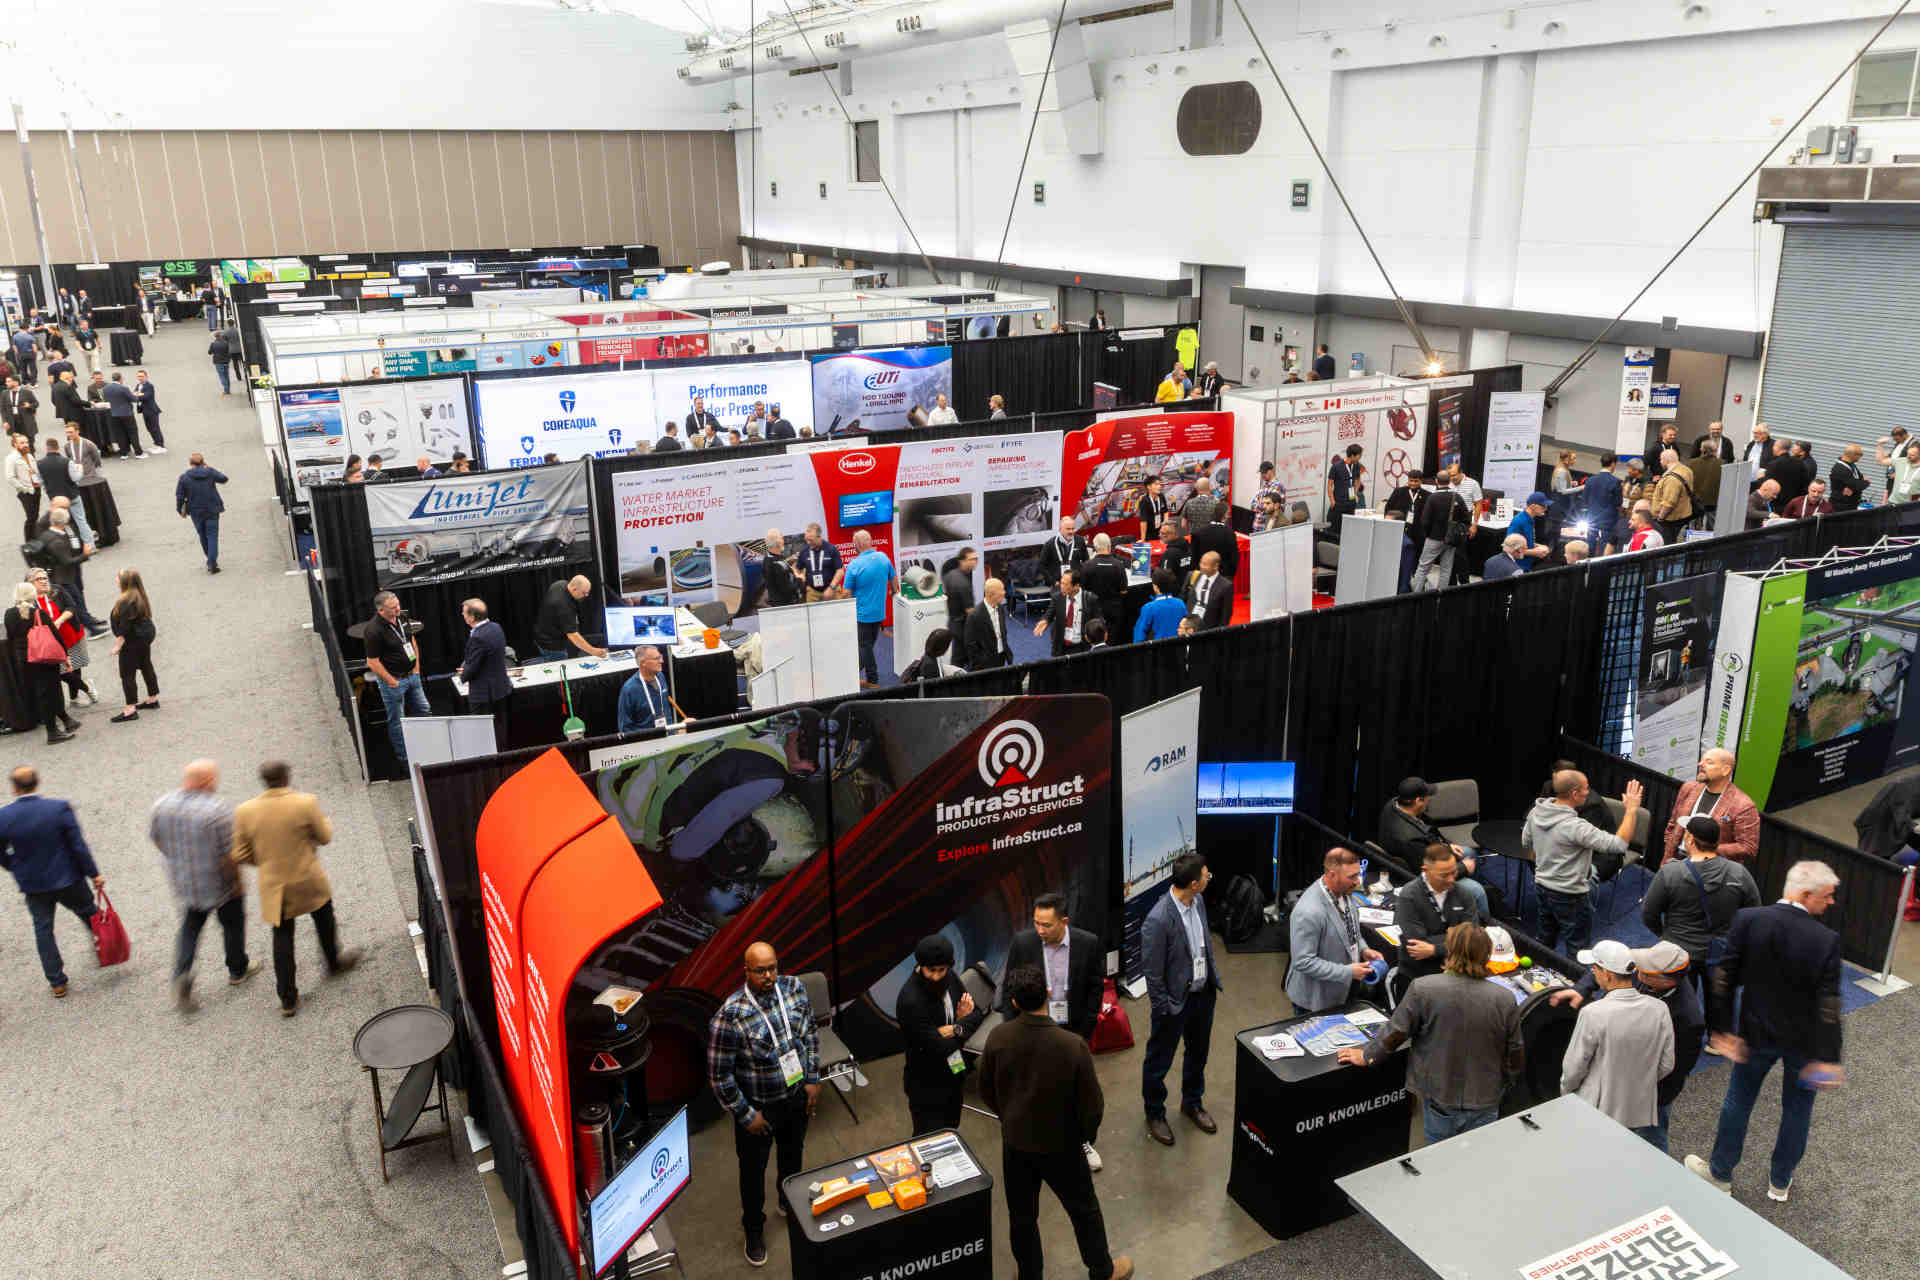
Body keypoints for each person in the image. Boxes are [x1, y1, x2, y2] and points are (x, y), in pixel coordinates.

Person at [1685, 861, 1845, 1201]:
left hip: (1755, 1034)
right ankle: (1780, 1182)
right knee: (1798, 1109)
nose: (1830, 903)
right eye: (1828, 896)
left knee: (1738, 1101)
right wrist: (1829, 1057)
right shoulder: (1826, 939)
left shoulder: (1749, 920)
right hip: (1804, 1043)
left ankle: (1720, 1174)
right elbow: (1829, 1004)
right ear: (1806, 894)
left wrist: (1722, 1030)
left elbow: (1724, 978)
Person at [980, 965, 1133, 1280]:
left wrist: (1008, 1117)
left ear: (1015, 1002)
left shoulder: (998, 1038)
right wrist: (1083, 1137)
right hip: (1062, 1147)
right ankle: (1102, 1270)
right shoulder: (1071, 1045)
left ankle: (1029, 1275)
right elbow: (1093, 1106)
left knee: (1022, 1217)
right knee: (1084, 1211)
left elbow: (986, 1089)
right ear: (1048, 993)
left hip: (1016, 1145)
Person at [1337, 923, 1524, 1143]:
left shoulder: (1423, 989)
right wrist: (1505, 1083)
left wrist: (1367, 1056)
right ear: (1485, 954)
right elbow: (1515, 1051)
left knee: (1438, 1164)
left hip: (1440, 1099)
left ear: (1450, 951)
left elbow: (1395, 1033)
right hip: (1486, 1100)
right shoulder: (1505, 998)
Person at [706, 941, 822, 1268]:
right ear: (746, 971)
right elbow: (719, 1076)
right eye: (760, 971)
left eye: (773, 967)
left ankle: (789, 1203)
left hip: (795, 1097)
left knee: (792, 1154)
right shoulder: (730, 1015)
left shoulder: (794, 988)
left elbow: (810, 1033)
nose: (769, 976)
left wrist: (812, 1078)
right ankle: (754, 1231)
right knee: (753, 1175)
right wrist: (746, 1115)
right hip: (758, 1108)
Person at [231, 760, 361, 1017]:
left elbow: (239, 853)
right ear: (287, 777)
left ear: (264, 780)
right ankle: (334, 962)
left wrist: (265, 861)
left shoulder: (244, 811)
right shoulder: (305, 802)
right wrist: (326, 822)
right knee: (324, 918)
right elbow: (324, 837)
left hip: (275, 884)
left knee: (282, 937)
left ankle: (288, 998)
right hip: (308, 878)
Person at [1552, 940, 1702, 1152]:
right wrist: (1581, 988)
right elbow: (1610, 965)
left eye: (1645, 974)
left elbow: (1676, 1067)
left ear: (1664, 980)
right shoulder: (1646, 968)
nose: (1638, 974)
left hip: (1653, 1095)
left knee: (1650, 1147)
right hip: (1632, 1087)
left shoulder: (1688, 1018)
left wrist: (1635, 1088)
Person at [150, 759, 257, 1010]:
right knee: (232, 924)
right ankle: (237, 969)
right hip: (218, 882)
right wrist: (238, 883)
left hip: (185, 881)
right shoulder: (218, 811)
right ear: (208, 781)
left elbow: (157, 840)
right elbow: (229, 855)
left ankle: (182, 973)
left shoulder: (162, 805)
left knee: (190, 927)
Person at [1140, 853, 1222, 1147]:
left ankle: (1192, 1102)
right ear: (1193, 883)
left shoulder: (1197, 901)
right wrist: (1164, 1009)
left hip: (1202, 994)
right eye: (1206, 875)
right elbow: (1152, 972)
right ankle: (1155, 1113)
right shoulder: (1158, 920)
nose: (1208, 878)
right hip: (1174, 1003)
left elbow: (1201, 944)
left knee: (1198, 1052)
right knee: (1159, 1060)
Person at [0, 765, 103, 997]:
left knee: (43, 928)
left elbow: (1, 853)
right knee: (89, 913)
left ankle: (57, 982)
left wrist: (15, 866)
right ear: (37, 783)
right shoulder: (58, 808)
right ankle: (105, 949)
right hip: (69, 878)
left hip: (34, 884)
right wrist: (93, 873)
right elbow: (78, 846)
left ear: (14, 788)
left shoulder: (3, 816)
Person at [1522, 771, 1642, 954]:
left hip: (1541, 887)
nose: (1589, 792)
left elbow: (1526, 842)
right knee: (1578, 950)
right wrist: (1632, 810)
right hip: (1571, 896)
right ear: (1574, 793)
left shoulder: (1535, 812)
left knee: (1545, 941)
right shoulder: (1576, 827)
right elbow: (1619, 845)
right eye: (1586, 788)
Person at [1644, 816, 1761, 983]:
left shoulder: (1669, 873)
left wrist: (1667, 935)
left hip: (1677, 954)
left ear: (1690, 839)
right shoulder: (1740, 873)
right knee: (1719, 1006)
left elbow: (1649, 914)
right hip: (1720, 955)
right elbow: (1754, 915)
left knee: (1680, 1004)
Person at [894, 934, 984, 1135]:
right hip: (925, 1081)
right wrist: (962, 1026)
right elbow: (939, 1048)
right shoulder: (911, 1001)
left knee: (952, 1126)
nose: (936, 976)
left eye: (941, 970)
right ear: (920, 966)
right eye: (930, 970)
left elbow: (977, 1013)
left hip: (955, 1067)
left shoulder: (950, 978)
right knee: (928, 1137)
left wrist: (955, 1027)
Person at [1286, 847, 1387, 1015]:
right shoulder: (1309, 911)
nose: (1358, 881)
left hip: (1344, 990)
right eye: (1352, 876)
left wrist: (1364, 949)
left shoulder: (1344, 891)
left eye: (1358, 874)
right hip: (1315, 1000)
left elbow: (1351, 930)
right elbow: (1303, 961)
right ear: (1332, 875)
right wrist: (1348, 972)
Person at [1376, 777, 1488, 913]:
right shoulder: (1411, 840)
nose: (1429, 799)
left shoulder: (1394, 804)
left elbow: (1426, 832)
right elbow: (1430, 875)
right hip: (1423, 874)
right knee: (1477, 890)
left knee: (1469, 852)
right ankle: (1482, 925)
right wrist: (1463, 868)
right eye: (1427, 796)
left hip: (1424, 854)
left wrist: (1447, 846)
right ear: (1418, 801)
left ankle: (1466, 905)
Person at [1393, 844, 1488, 984]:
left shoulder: (1464, 894)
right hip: (1419, 976)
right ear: (1426, 871)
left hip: (1459, 973)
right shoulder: (1409, 896)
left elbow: (1472, 939)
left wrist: (1435, 949)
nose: (1451, 880)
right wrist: (1456, 937)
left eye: (1454, 872)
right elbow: (1416, 946)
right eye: (1444, 875)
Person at [7, 582, 80, 743]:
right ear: (32, 595)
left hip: (25, 661)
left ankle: (65, 722)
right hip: (44, 659)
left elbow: (11, 637)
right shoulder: (38, 613)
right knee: (51, 694)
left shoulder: (9, 614)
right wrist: (65, 657)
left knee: (42, 694)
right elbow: (55, 635)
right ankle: (52, 732)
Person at [1661, 748, 1759, 864]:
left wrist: (1706, 850)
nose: (1700, 764)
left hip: (1709, 870)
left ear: (1725, 770)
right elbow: (1673, 824)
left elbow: (1748, 848)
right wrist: (1669, 849)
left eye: (1709, 762)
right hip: (1674, 861)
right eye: (1701, 761)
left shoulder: (1743, 805)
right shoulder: (1688, 788)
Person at [364, 591, 429, 764]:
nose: (398, 609)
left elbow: (412, 640)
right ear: (381, 610)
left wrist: (416, 668)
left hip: (412, 677)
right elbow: (372, 662)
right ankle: (405, 758)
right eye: (393, 608)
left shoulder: (402, 618)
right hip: (393, 682)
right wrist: (391, 681)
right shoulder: (373, 630)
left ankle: (427, 747)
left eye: (398, 605)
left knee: (424, 711)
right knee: (397, 721)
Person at [36, 509, 104, 633]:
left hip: (58, 576)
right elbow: (67, 561)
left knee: (75, 601)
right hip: (63, 579)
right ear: (63, 523)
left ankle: (88, 625)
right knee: (75, 602)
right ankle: (91, 629)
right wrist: (85, 555)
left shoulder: (46, 535)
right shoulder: (57, 542)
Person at [842, 529, 895, 687]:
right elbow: (893, 579)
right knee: (868, 645)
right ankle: (852, 672)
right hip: (879, 613)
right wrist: (894, 591)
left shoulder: (854, 565)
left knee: (865, 647)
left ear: (857, 545)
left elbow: (846, 593)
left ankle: (873, 680)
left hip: (862, 615)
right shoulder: (883, 558)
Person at [107, 567, 159, 723]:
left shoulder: (125, 602)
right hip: (144, 637)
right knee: (145, 665)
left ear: (124, 582)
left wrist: (118, 645)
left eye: (118, 577)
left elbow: (124, 627)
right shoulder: (138, 595)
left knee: (127, 673)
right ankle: (152, 698)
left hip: (133, 640)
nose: (116, 579)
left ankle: (130, 709)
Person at [457, 598, 512, 740]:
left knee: (483, 734)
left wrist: (464, 675)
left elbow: (473, 666)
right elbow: (488, 659)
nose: (462, 615)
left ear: (472, 617)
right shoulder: (496, 627)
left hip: (484, 694)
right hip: (501, 688)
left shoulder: (477, 637)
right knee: (500, 729)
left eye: (464, 613)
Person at [36, 436, 96, 550]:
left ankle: (67, 547)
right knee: (81, 520)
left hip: (56, 499)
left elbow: (40, 481)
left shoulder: (39, 464)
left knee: (61, 523)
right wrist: (80, 469)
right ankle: (90, 545)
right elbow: (76, 478)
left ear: (46, 448)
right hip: (72, 496)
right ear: (58, 447)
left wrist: (49, 490)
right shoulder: (67, 462)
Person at [1411, 474, 1467, 592]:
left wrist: (1428, 534)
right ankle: (1441, 598)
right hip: (1451, 539)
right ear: (1449, 481)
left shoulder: (1432, 498)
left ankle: (1414, 596)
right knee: (1446, 569)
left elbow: (1425, 521)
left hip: (1434, 537)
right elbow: (1466, 517)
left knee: (1423, 567)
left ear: (1436, 481)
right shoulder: (1457, 497)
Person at [174, 453, 228, 573]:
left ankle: (209, 558)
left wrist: (180, 510)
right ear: (203, 462)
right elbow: (224, 479)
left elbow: (180, 496)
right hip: (212, 508)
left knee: (203, 535)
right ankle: (212, 561)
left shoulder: (184, 477)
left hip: (195, 511)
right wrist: (209, 468)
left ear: (190, 464)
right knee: (212, 535)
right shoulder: (209, 472)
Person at [532, 575, 606, 661]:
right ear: (574, 589)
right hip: (551, 645)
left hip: (542, 632)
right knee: (561, 669)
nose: (586, 595)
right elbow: (573, 635)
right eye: (584, 593)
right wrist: (594, 651)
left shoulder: (560, 584)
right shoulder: (564, 606)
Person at [1035, 567, 1098, 658]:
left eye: (1065, 584)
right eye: (1061, 583)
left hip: (1081, 648)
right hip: (1061, 646)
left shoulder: (1090, 599)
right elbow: (1050, 613)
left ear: (1076, 586)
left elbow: (1098, 621)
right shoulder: (1057, 597)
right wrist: (1045, 620)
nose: (1061, 587)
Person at [1079, 534, 1129, 639]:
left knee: (1094, 638)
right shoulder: (1119, 565)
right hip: (1113, 609)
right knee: (1112, 639)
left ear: (1095, 547)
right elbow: (1124, 591)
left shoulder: (1087, 566)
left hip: (1093, 610)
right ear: (1109, 546)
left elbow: (1082, 590)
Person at [616, 645, 672, 734]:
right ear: (643, 663)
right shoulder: (629, 689)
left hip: (667, 734)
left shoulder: (660, 677)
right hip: (645, 741)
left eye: (660, 657)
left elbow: (666, 709)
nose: (661, 661)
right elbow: (625, 727)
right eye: (656, 658)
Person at [964, 578, 1014, 669]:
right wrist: (981, 661)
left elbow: (1002, 633)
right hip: (984, 664)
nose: (1004, 593)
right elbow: (970, 644)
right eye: (1001, 590)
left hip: (1001, 658)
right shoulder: (975, 616)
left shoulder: (1000, 608)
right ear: (992, 594)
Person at [1649, 449, 1695, 543]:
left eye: (1661, 460)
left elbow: (1669, 504)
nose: (1660, 462)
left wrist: (1660, 519)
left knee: (1668, 544)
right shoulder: (1687, 470)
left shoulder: (1671, 479)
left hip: (1670, 521)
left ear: (1667, 460)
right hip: (1683, 515)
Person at [1180, 550, 1233, 632]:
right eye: (1201, 562)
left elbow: (1225, 615)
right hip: (1189, 626)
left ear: (1215, 566)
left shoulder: (1226, 586)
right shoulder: (1192, 575)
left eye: (1205, 564)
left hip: (1209, 628)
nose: (1201, 566)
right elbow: (1183, 598)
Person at [940, 547, 977, 663]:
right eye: (971, 559)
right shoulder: (963, 584)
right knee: (962, 657)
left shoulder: (950, 575)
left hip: (953, 623)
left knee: (959, 655)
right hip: (963, 626)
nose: (975, 562)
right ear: (962, 561)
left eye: (976, 559)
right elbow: (970, 611)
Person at [1581, 452, 1625, 551]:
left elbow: (1584, 501)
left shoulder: (1590, 480)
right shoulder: (1616, 482)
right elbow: (1618, 502)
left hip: (1591, 519)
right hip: (1609, 521)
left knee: (1589, 546)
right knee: (1605, 548)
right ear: (1613, 464)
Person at [7, 430, 41, 543]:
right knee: (31, 517)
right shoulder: (11, 458)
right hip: (26, 492)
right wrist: (24, 489)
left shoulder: (29, 455)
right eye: (22, 443)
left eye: (26, 442)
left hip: (36, 489)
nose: (25, 444)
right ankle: (29, 541)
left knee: (35, 516)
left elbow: (35, 471)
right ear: (15, 445)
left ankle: (35, 538)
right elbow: (10, 477)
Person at [1134, 568, 1185, 642]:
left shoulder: (1149, 608)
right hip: (1178, 648)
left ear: (1156, 587)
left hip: (1157, 649)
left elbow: (1139, 634)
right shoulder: (1180, 603)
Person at [1189, 500, 1237, 577]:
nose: (1229, 516)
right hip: (1222, 578)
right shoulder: (1230, 534)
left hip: (1201, 576)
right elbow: (1233, 561)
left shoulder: (1197, 533)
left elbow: (1193, 560)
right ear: (1225, 515)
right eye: (1228, 514)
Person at [797, 523, 845, 601]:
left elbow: (840, 571)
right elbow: (797, 569)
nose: (808, 543)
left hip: (832, 590)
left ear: (819, 537)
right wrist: (799, 576)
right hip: (812, 593)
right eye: (807, 540)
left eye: (811, 540)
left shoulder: (831, 549)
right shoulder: (804, 552)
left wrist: (831, 587)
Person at [1037, 517, 1090, 584]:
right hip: (1058, 584)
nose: (1071, 531)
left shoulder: (1080, 541)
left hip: (1075, 583)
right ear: (1060, 529)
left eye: (1073, 529)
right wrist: (1052, 581)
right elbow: (1041, 565)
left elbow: (1086, 561)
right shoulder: (1050, 544)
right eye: (1068, 529)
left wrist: (1081, 577)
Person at [1507, 492, 1552, 569]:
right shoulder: (1519, 521)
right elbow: (1510, 548)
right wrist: (1534, 552)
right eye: (1543, 506)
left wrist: (1538, 546)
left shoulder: (1530, 519)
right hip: (1518, 567)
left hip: (1527, 565)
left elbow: (1524, 541)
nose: (1546, 508)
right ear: (1533, 506)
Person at [101, 373, 140, 458]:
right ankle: (138, 453)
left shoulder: (105, 388)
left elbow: (105, 399)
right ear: (120, 379)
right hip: (126, 414)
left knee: (120, 434)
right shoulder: (124, 388)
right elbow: (134, 399)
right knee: (132, 432)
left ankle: (124, 453)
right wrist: (136, 395)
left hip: (113, 414)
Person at [762, 529, 803, 609]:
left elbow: (784, 570)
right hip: (785, 607)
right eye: (782, 538)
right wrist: (800, 579)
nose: (783, 541)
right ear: (778, 542)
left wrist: (791, 567)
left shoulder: (775, 558)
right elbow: (787, 589)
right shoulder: (773, 564)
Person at [131, 370, 166, 452]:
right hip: (144, 410)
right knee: (149, 428)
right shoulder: (138, 385)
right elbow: (134, 393)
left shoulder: (149, 386)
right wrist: (138, 394)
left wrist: (138, 395)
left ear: (146, 377)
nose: (140, 378)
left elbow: (146, 397)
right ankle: (156, 444)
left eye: (142, 376)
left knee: (155, 428)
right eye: (139, 376)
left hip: (151, 410)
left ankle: (160, 445)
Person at [1328, 444, 1364, 523]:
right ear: (1352, 455)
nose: (1360, 457)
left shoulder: (1357, 465)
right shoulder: (1336, 467)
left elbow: (1358, 480)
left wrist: (1355, 493)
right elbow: (1330, 485)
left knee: (1348, 526)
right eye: (1359, 455)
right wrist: (1332, 500)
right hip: (1339, 502)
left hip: (1351, 502)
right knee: (1337, 527)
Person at [1828, 443, 1866, 511]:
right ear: (1853, 455)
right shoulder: (1840, 468)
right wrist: (1866, 482)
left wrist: (1857, 484)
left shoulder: (1851, 465)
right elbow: (1857, 486)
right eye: (1861, 455)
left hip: (1851, 505)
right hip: (1840, 506)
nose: (1861, 457)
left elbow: (1860, 479)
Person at [1135, 475, 1169, 541]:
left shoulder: (1161, 496)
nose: (1159, 486)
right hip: (1150, 534)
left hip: (1161, 532)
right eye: (1156, 484)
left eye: (1159, 484)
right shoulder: (1144, 500)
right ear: (1149, 487)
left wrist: (1165, 525)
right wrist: (1143, 539)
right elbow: (1143, 521)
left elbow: (1165, 511)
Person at [208, 329, 233, 395]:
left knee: (222, 376)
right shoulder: (226, 343)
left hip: (218, 362)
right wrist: (229, 358)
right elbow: (229, 352)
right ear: (221, 336)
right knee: (227, 376)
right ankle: (228, 390)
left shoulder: (213, 344)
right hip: (226, 361)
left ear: (215, 337)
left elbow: (209, 352)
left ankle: (226, 389)